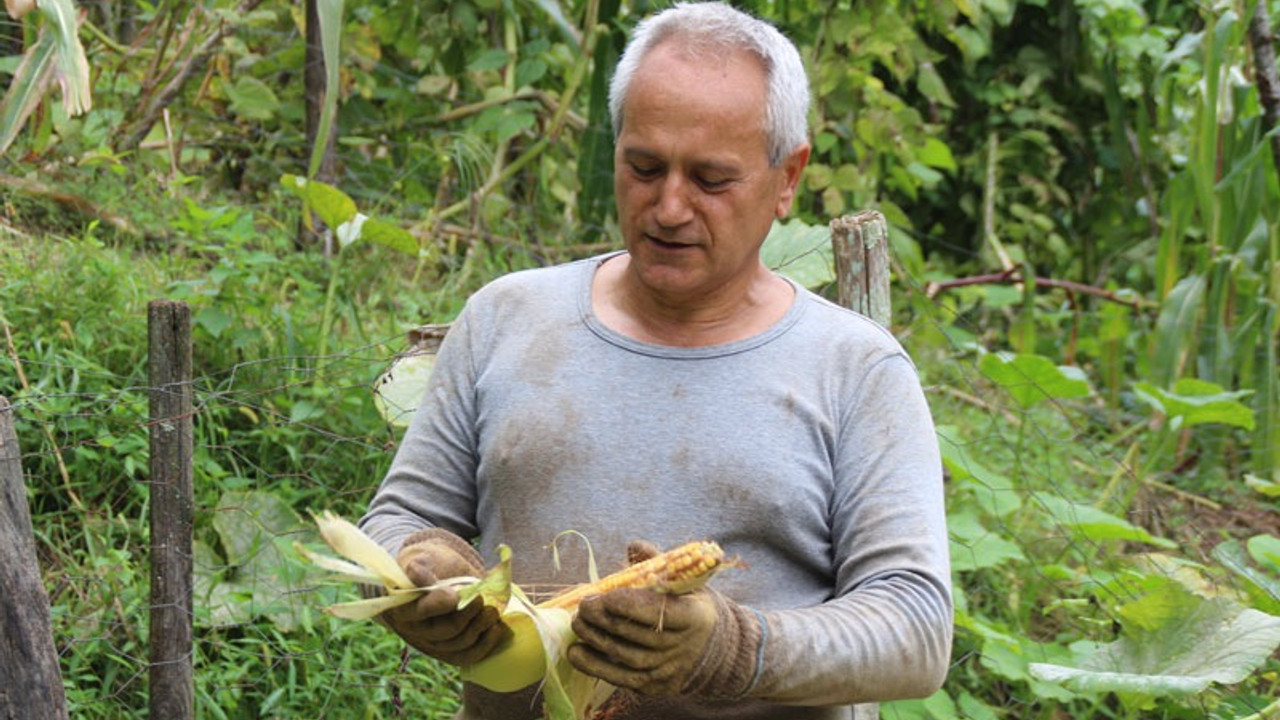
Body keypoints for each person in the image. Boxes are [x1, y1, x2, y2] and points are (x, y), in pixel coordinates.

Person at [358, 2, 952, 718]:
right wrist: (418, 571)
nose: (668, 207)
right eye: (643, 167)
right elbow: (396, 521)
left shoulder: (855, 370)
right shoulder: (507, 319)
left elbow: (915, 630)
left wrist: (734, 648)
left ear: (787, 176)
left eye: (710, 180)